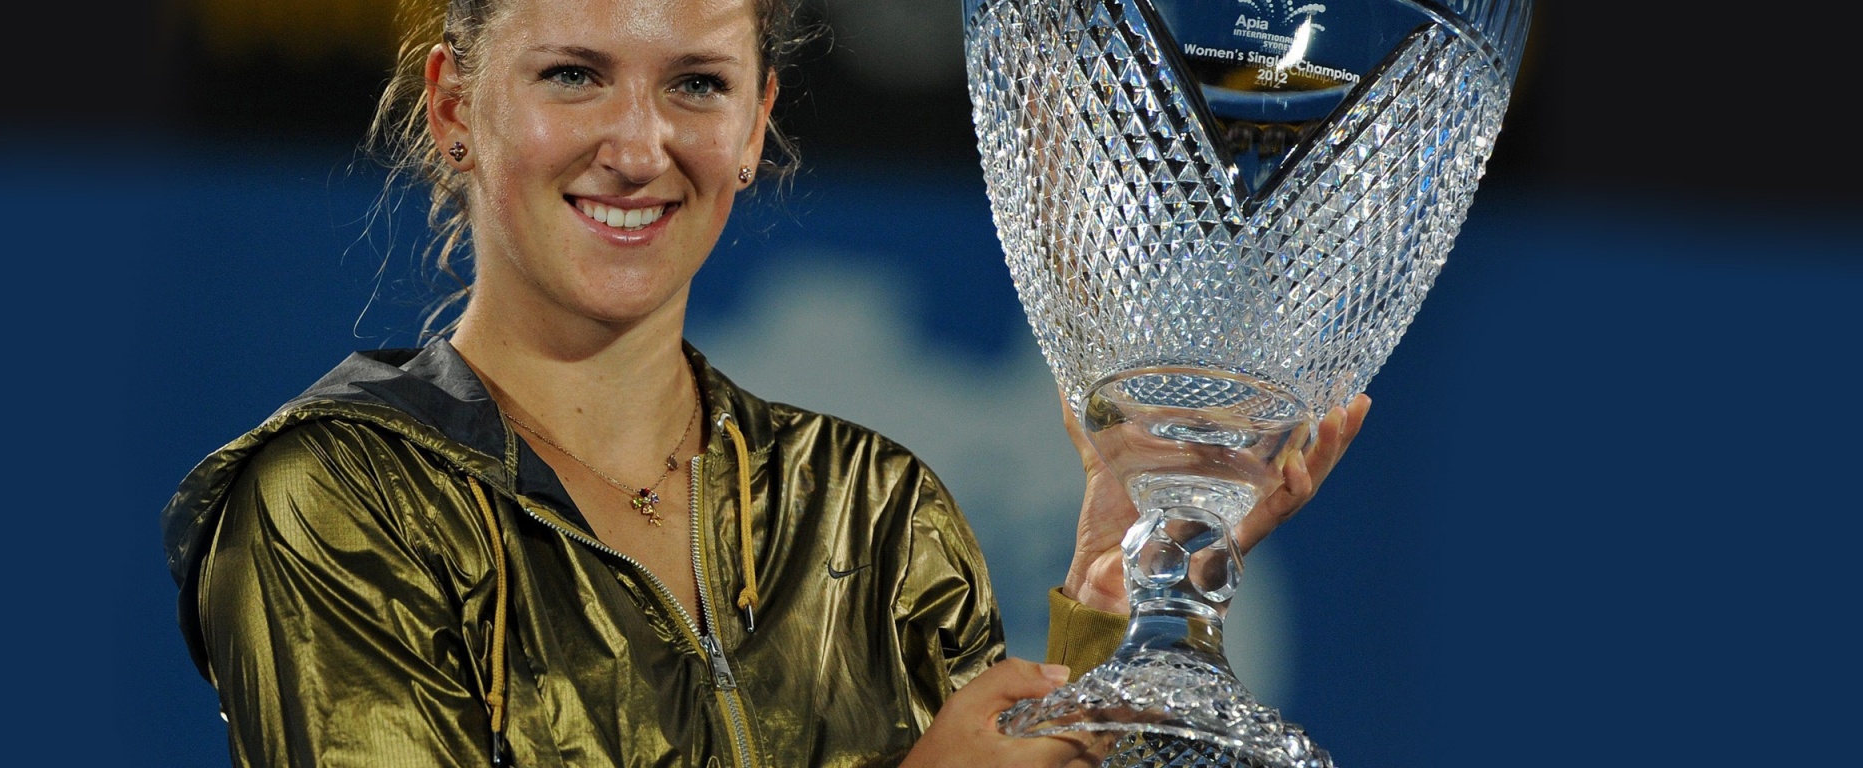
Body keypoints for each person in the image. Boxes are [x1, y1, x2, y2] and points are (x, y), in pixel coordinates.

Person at [159, 1, 1369, 766]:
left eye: (695, 83)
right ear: (453, 105)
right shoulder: (331, 502)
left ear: (754, 123)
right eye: (572, 74)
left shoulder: (873, 507)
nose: (638, 146)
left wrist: (1121, 599)